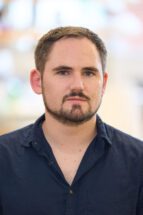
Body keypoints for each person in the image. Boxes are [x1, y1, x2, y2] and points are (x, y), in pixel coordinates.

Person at [0, 26, 143, 215]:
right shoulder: (3, 159)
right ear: (37, 81)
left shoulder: (138, 163)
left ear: (104, 83)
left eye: (89, 73)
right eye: (63, 72)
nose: (78, 85)